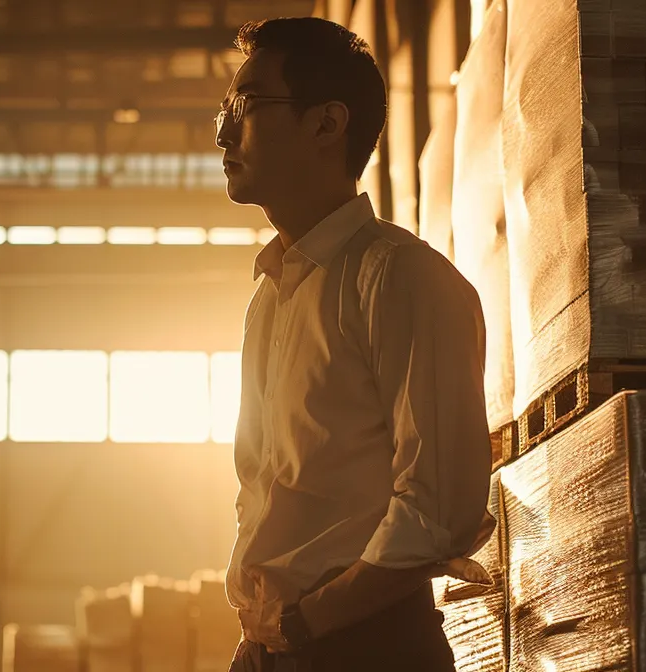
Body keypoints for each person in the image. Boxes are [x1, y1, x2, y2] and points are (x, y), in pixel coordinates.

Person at [215, 17, 497, 671]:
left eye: (249, 105)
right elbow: (260, 488)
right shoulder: (271, 297)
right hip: (273, 647)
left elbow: (439, 509)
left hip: (365, 647)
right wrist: (261, 630)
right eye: (225, 109)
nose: (225, 131)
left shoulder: (402, 279)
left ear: (326, 124)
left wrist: (312, 621)